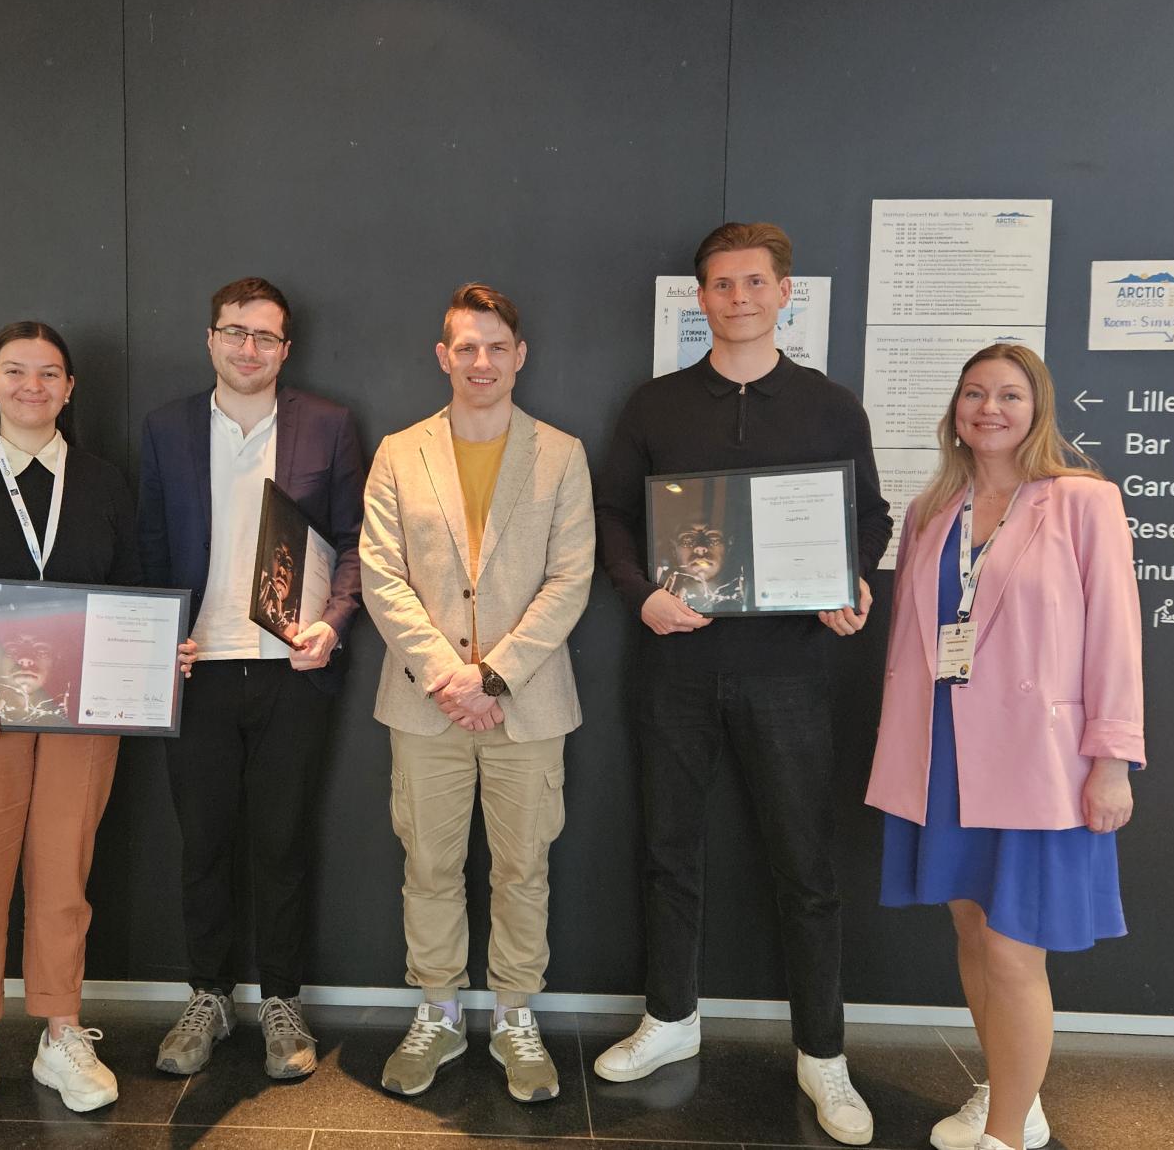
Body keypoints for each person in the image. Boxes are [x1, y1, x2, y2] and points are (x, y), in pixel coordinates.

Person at [593, 222, 891, 1146]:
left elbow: (870, 516)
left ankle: (823, 1052)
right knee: (668, 850)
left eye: (754, 282)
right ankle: (671, 1017)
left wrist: (853, 580)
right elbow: (613, 514)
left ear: (784, 292)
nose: (738, 298)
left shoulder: (831, 404)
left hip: (790, 670)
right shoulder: (655, 404)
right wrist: (640, 597)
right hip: (674, 666)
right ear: (701, 298)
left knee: (807, 865)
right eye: (721, 285)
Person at [867, 343, 1142, 1150]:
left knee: (1014, 948)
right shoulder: (931, 510)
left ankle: (1007, 1136)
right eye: (975, 393)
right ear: (955, 409)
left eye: (1010, 395)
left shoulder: (1083, 501)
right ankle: (1011, 1094)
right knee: (971, 931)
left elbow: (1116, 637)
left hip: (1036, 760)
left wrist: (1112, 760)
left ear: (1038, 408)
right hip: (942, 754)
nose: (990, 408)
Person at [0, 321, 167, 1140]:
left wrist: (156, 650)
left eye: (49, 373)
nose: (32, 385)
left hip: (80, 719)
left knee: (63, 878)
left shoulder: (103, 481)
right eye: (15, 371)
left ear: (69, 388)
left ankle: (60, 1032)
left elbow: (132, 592)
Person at [359, 284, 594, 1103]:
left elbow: (570, 579)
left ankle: (515, 1016)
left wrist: (492, 675)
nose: (482, 361)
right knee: (428, 862)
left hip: (528, 704)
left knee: (524, 867)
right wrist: (448, 676)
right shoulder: (399, 453)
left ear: (519, 356)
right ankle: (440, 1011)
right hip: (424, 703)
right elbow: (382, 574)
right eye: (466, 346)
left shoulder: (561, 454)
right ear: (443, 356)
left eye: (496, 347)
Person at [138, 277, 365, 1080]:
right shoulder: (166, 427)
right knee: (203, 844)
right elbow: (150, 543)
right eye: (235, 331)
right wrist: (157, 636)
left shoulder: (328, 425)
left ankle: (281, 1000)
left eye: (265, 336)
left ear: (285, 349)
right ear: (210, 338)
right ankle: (207, 995)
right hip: (196, 670)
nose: (248, 348)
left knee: (282, 842)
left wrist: (333, 623)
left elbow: (355, 541)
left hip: (291, 669)